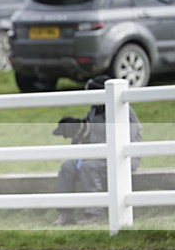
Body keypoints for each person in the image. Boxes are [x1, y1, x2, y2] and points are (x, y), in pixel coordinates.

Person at [52, 75, 143, 226]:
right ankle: (65, 213)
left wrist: (98, 152)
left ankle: (94, 214)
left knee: (89, 167)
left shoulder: (124, 110)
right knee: (67, 167)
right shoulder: (94, 110)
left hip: (123, 156)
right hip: (97, 155)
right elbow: (86, 130)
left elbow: (128, 136)